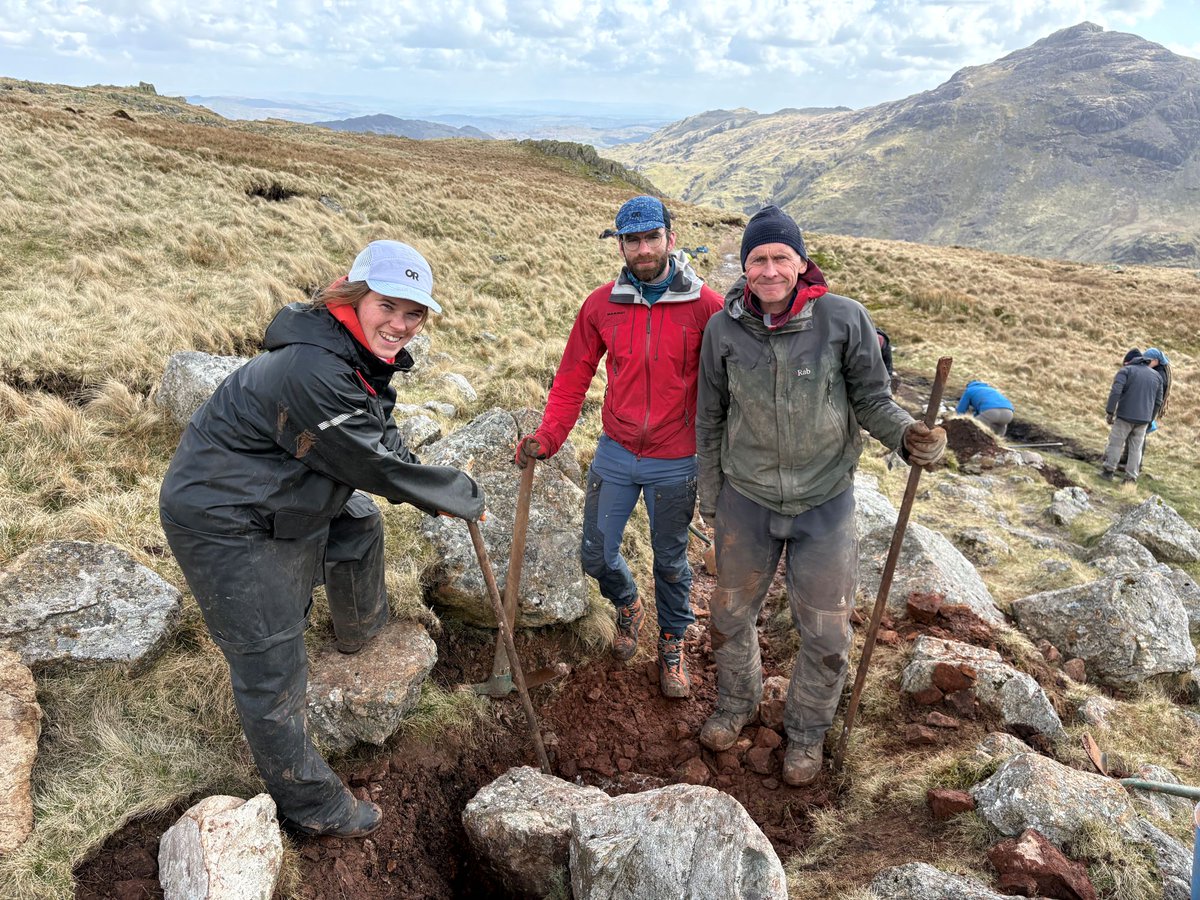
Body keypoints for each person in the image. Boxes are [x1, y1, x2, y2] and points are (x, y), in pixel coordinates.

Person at [159, 241, 484, 837]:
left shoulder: (356, 354)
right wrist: (446, 492)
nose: (401, 324)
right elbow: (369, 464)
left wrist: (425, 484)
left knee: (357, 523)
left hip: (279, 487)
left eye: (415, 313)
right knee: (271, 666)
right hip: (226, 516)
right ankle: (314, 808)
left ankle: (361, 631)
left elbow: (380, 438)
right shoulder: (314, 368)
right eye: (389, 305)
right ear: (355, 296)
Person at [696, 205, 946, 787]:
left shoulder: (843, 320)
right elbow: (710, 418)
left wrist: (909, 437)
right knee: (731, 616)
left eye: (781, 256)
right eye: (757, 258)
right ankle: (737, 705)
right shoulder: (723, 329)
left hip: (824, 502)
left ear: (801, 261)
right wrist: (711, 500)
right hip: (746, 499)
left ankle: (806, 733)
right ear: (745, 267)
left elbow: (872, 400)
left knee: (827, 633)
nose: (769, 269)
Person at [516, 196, 724, 698]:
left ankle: (672, 643)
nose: (644, 248)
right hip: (616, 450)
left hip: (677, 460)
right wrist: (549, 435)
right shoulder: (600, 306)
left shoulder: (707, 307)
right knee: (596, 553)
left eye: (652, 237)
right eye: (633, 240)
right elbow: (571, 379)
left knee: (671, 561)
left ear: (671, 239)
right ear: (621, 245)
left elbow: (730, 385)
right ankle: (628, 603)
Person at [1102, 348, 1164, 483]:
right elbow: (1158, 401)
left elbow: (1116, 391)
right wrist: (1150, 419)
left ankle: (1108, 472)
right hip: (1143, 419)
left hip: (1125, 416)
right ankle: (1131, 478)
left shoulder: (1126, 371)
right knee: (1136, 448)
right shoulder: (1157, 376)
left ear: (1128, 362)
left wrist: (1110, 412)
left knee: (1116, 444)